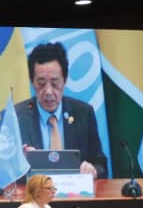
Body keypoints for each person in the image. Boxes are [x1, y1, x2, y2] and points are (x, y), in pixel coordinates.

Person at [9, 42, 107, 177]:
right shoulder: (15, 117)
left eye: (55, 83)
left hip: (75, 190)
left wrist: (93, 170)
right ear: (32, 81)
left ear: (65, 80)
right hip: (34, 190)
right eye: (41, 83)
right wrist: (19, 163)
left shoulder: (84, 114)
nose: (48, 91)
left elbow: (101, 165)